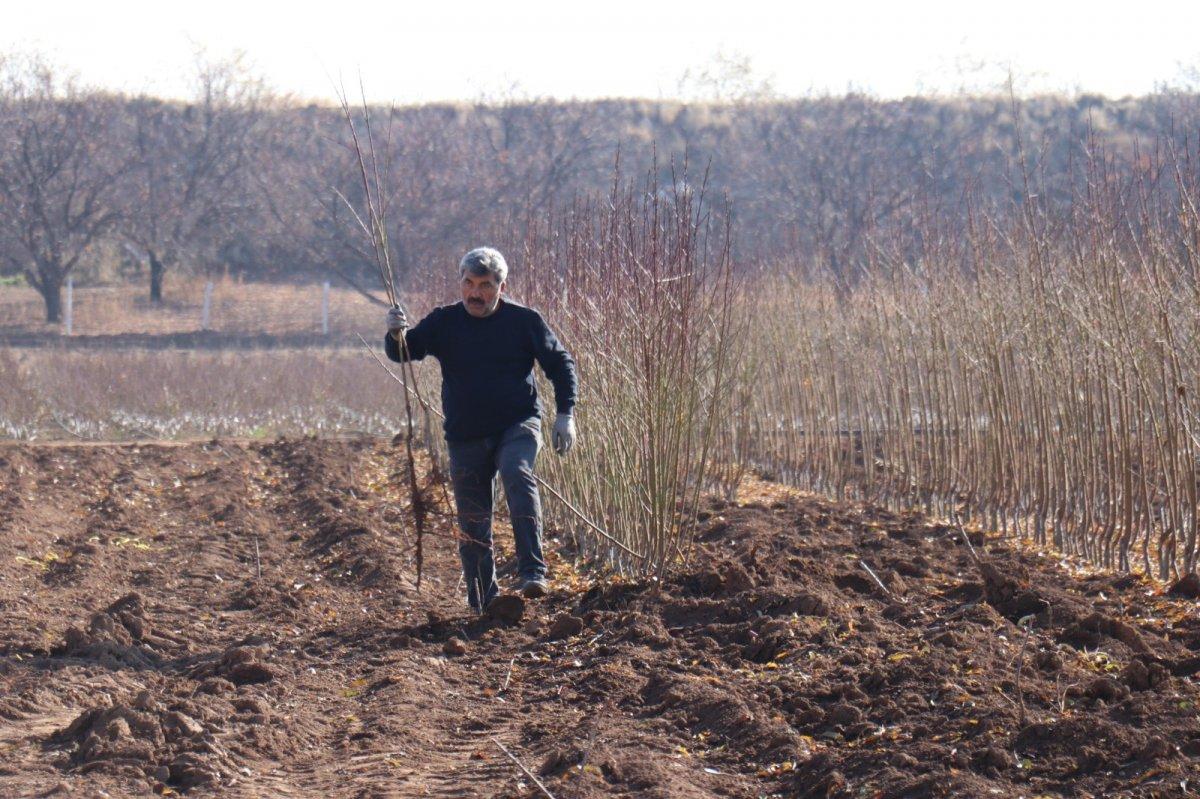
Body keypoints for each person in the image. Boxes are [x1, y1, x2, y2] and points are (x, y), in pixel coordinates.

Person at [384, 246, 577, 613]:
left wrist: (566, 413)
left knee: (517, 472)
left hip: (517, 423)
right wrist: (395, 334)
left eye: (485, 285)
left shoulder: (525, 321)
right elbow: (407, 351)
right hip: (465, 433)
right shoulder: (444, 322)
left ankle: (533, 571)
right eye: (469, 283)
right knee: (473, 523)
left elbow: (560, 363)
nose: (476, 293)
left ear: (501, 287)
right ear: (460, 284)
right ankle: (483, 603)